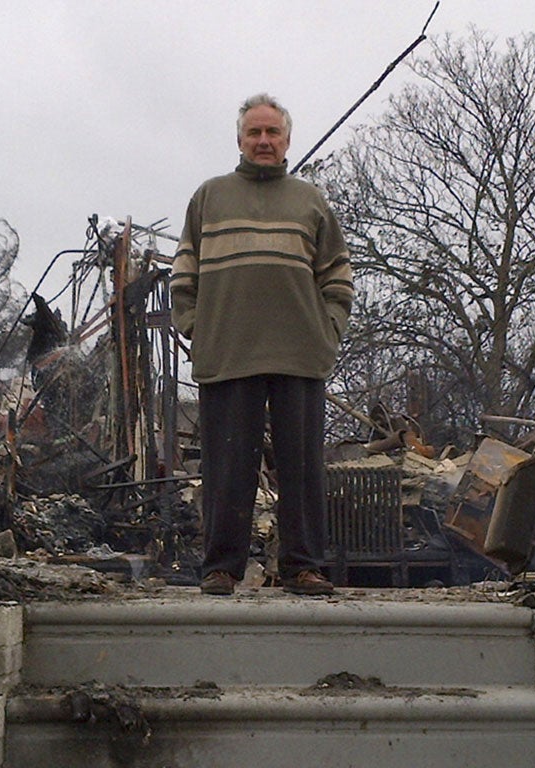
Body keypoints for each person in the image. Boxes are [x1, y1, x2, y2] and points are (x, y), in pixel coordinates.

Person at [170, 93, 354, 596]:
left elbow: (338, 277)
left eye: (273, 133)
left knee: (302, 469)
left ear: (287, 140)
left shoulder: (310, 201)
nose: (264, 141)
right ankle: (221, 568)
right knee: (228, 466)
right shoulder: (209, 197)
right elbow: (183, 275)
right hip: (227, 352)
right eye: (255, 133)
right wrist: (196, 327)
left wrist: (328, 330)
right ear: (240, 140)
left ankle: (304, 567)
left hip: (300, 353)